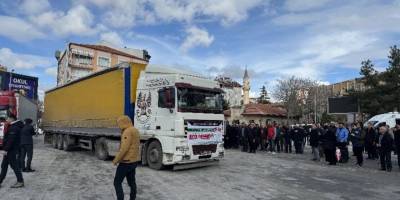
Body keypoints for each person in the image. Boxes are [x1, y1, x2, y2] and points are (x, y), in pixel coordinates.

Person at [113, 115, 140, 200]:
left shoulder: (127, 131)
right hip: (134, 161)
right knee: (132, 182)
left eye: (119, 124)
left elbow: (124, 148)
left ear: (123, 122)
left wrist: (116, 160)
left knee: (117, 182)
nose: (119, 126)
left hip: (126, 162)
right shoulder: (135, 130)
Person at [0, 114, 25, 188]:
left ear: (12, 119)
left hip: (11, 151)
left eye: (7, 118)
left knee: (15, 166)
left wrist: (5, 149)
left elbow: (11, 140)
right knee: (4, 166)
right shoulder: (13, 126)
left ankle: (20, 181)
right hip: (9, 150)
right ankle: (0, 180)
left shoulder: (14, 127)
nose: (6, 120)